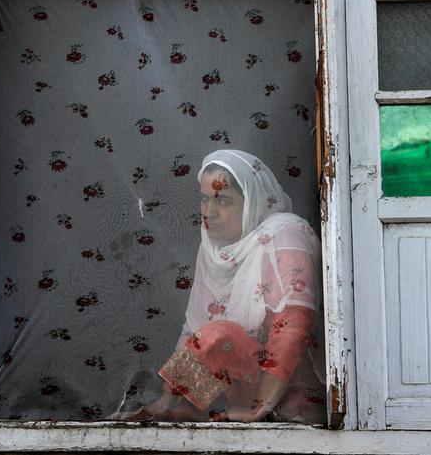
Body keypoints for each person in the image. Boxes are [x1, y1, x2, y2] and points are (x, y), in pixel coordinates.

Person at [133, 149, 325, 423]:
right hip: (241, 399)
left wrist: (260, 408)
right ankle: (178, 408)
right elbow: (196, 332)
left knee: (220, 334)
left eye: (222, 200)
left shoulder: (284, 235)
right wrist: (168, 400)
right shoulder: (215, 250)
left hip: (293, 399)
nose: (208, 213)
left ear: (253, 203)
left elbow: (293, 330)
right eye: (203, 199)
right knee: (211, 337)